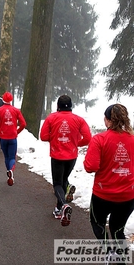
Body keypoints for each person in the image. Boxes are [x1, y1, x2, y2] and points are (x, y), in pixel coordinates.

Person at [84, 104, 134, 244]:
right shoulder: (133, 139)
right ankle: (120, 260)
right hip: (127, 196)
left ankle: (108, 250)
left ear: (107, 120)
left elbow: (90, 167)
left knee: (97, 223)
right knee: (118, 229)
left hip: (103, 195)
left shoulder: (99, 139)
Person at [40, 95, 91, 226]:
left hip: (57, 156)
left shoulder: (52, 117)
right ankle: (59, 208)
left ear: (58, 106)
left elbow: (43, 136)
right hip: (72, 156)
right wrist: (75, 143)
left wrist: (55, 139)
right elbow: (87, 137)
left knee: (57, 183)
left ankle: (63, 205)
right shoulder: (79, 120)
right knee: (63, 180)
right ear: (71, 106)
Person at [0, 92, 26, 186]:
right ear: (11, 100)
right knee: (12, 157)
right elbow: (23, 124)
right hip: (12, 137)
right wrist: (16, 132)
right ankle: (11, 170)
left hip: (3, 137)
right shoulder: (16, 110)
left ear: (3, 99)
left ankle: (8, 173)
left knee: (6, 157)